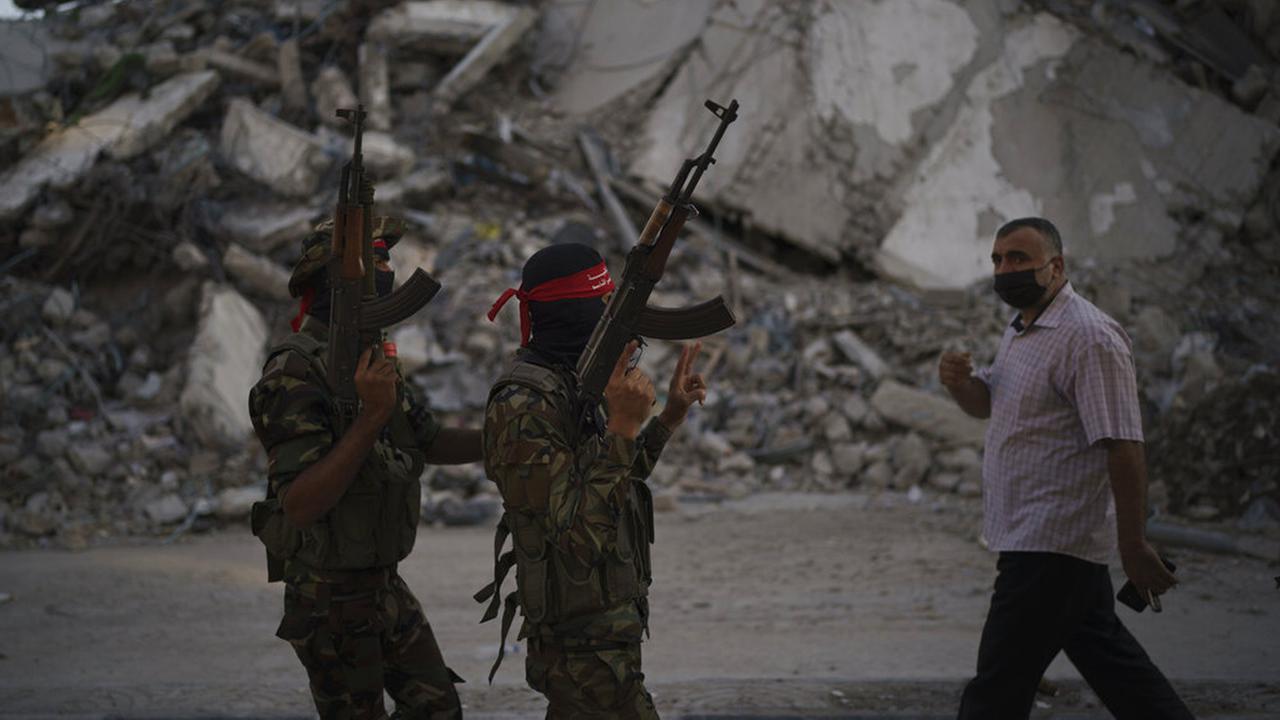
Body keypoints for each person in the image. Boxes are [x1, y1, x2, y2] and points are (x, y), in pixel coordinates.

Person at [940, 217, 1193, 719]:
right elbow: (988, 402)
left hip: (1051, 541)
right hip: (1032, 537)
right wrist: (958, 383)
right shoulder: (1024, 330)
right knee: (1118, 671)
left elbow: (1122, 444)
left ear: (1055, 267)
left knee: (996, 688)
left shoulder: (1089, 338)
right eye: (997, 260)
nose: (1004, 269)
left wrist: (1133, 544)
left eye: (1018, 259)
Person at [248, 217, 479, 719]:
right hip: (327, 599)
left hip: (382, 585)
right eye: (372, 261)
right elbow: (301, 503)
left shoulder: (370, 357)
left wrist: (506, 439)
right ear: (330, 279)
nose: (386, 271)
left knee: (438, 708)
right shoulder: (293, 372)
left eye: (386, 259)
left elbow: (427, 438)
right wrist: (371, 416)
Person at [478, 239, 707, 719]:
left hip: (604, 637)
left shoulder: (572, 381)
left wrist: (665, 420)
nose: (614, 320)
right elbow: (578, 536)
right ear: (570, 312)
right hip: (577, 648)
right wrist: (623, 424)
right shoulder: (522, 406)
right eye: (601, 306)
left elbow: (613, 478)